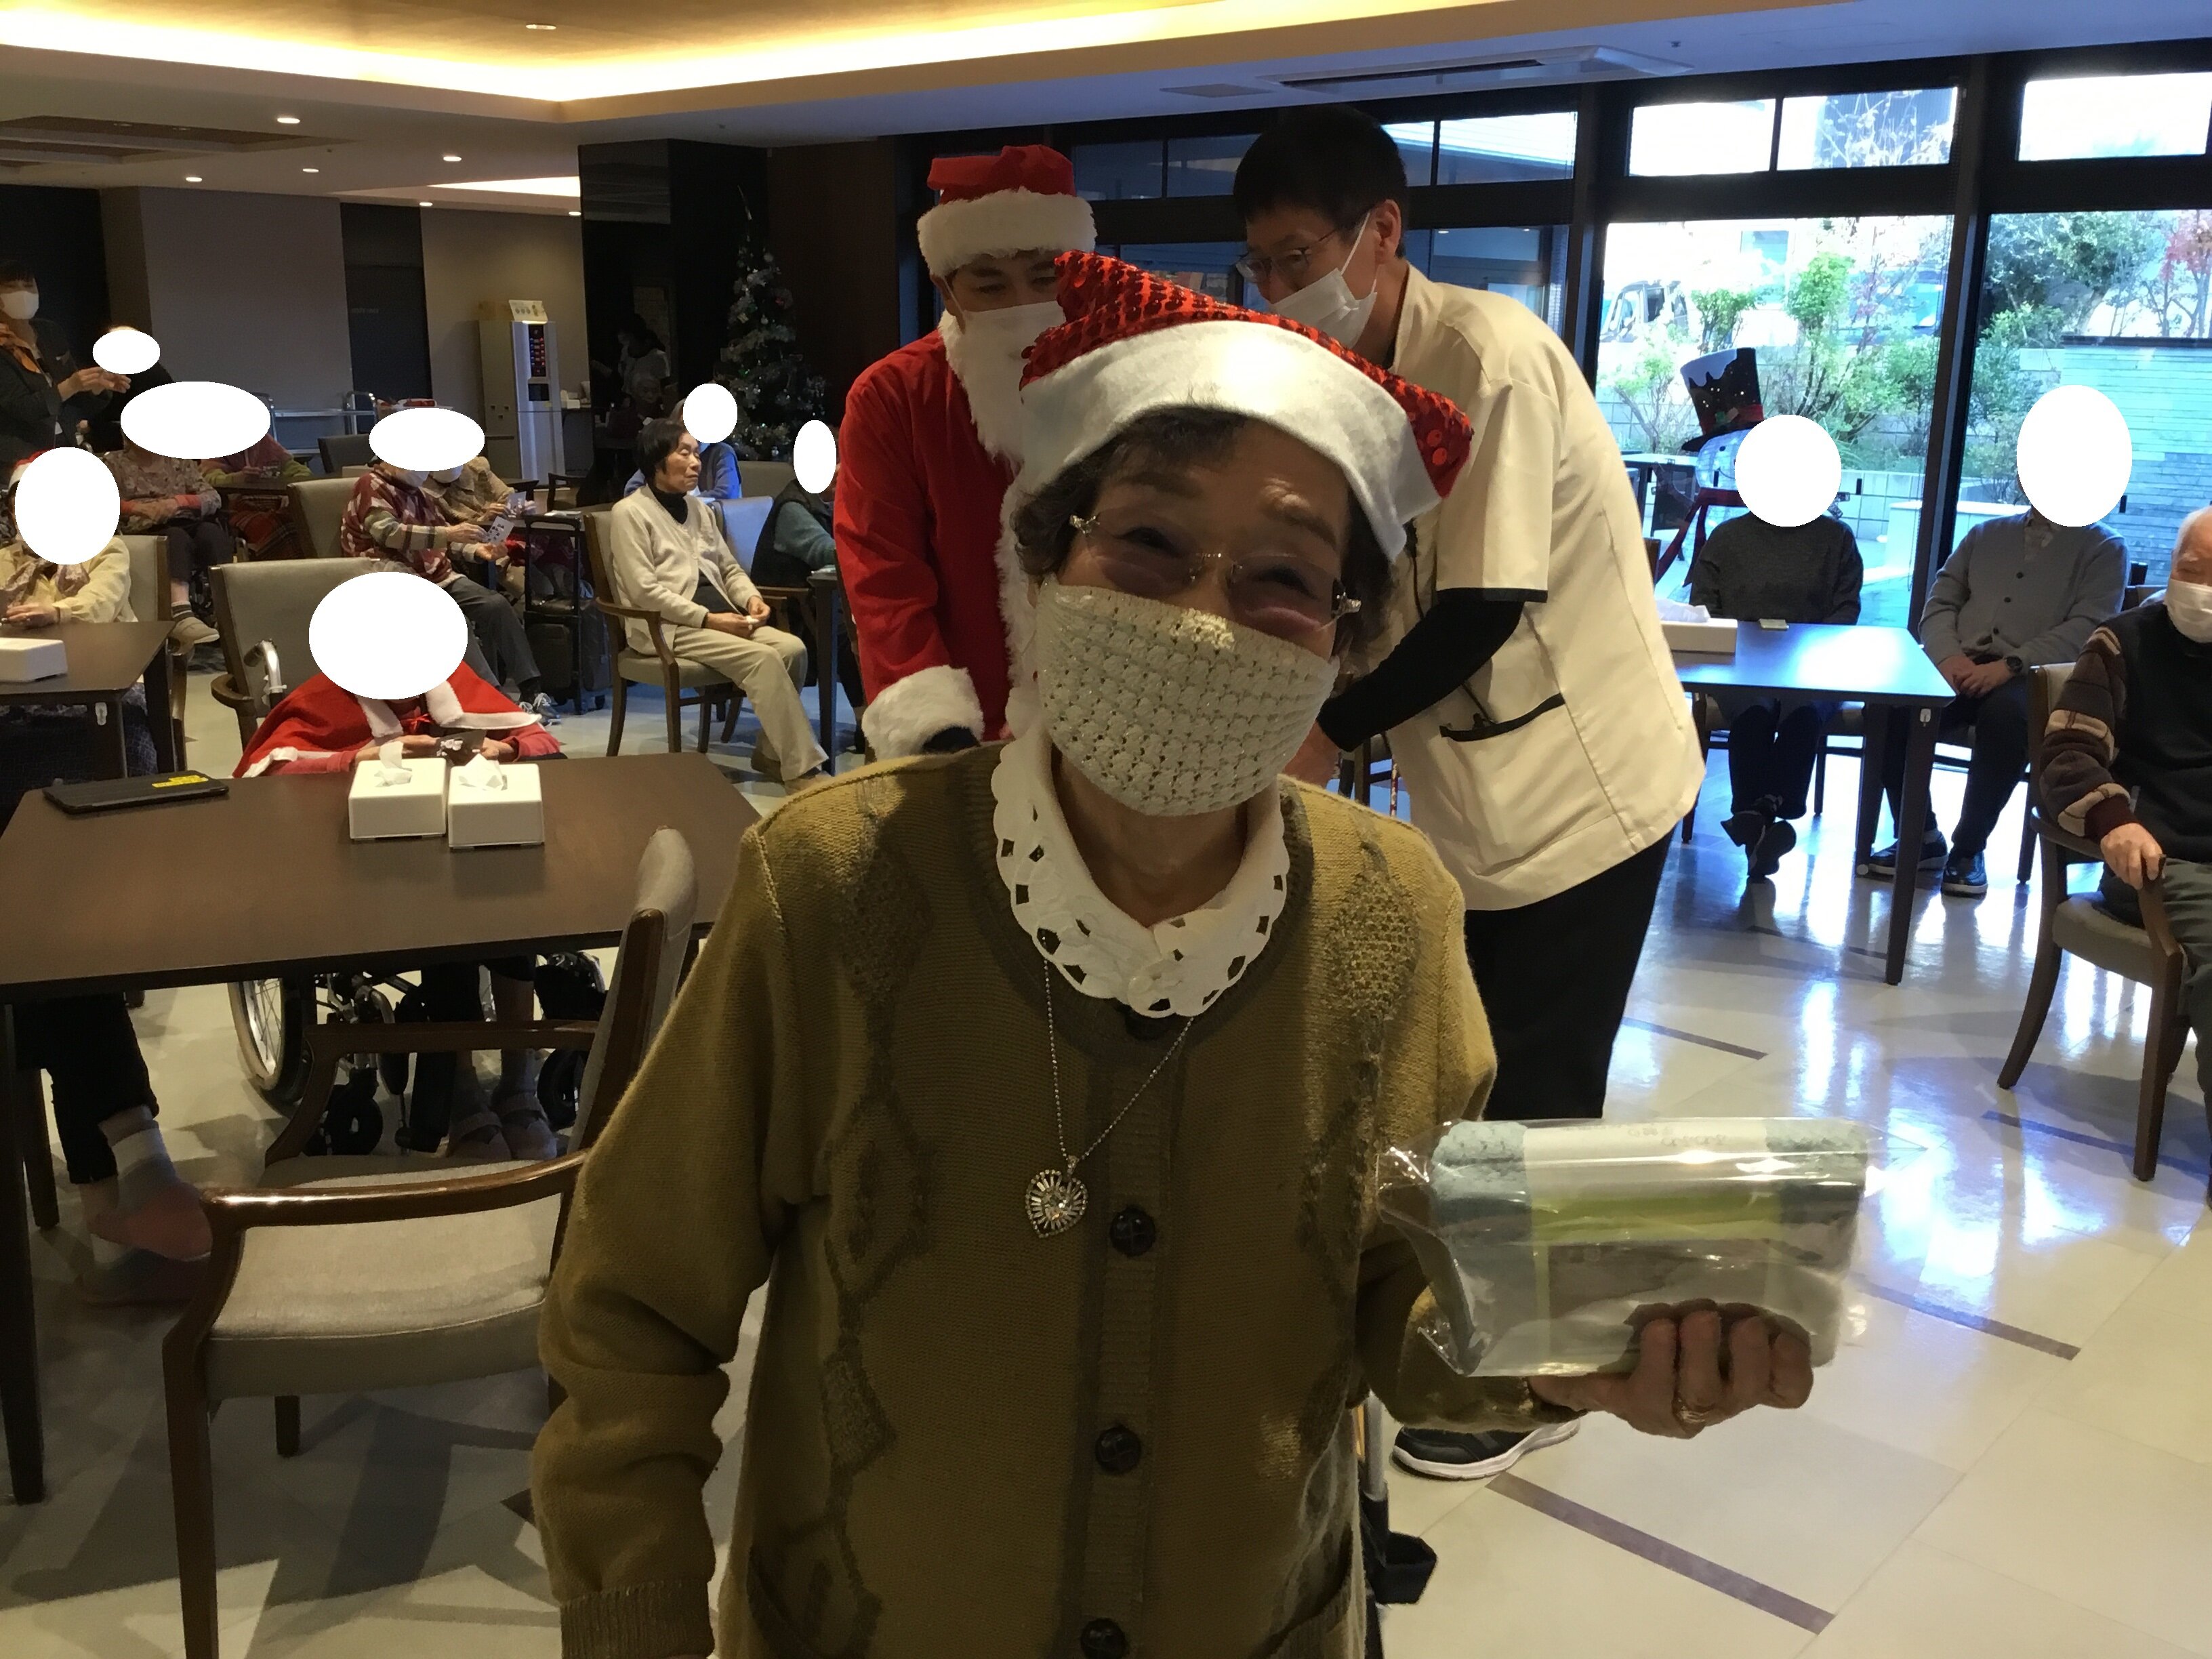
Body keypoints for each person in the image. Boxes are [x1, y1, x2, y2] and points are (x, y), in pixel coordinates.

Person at [532, 255, 1815, 1659]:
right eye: (1147, 542)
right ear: (1045, 558)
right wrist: (636, 1616)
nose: (1205, 613)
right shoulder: (837, 884)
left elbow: (1405, 1294)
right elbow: (633, 1309)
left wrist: (1572, 1353)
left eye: (1283, 576)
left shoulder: (1392, 915)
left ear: (1343, 640)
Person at [1234, 107, 1703, 1482]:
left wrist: (1324, 729)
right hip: (1481, 795)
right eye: (1259, 264)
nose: (1279, 287)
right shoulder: (1348, 376)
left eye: (1297, 256)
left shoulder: (1485, 356)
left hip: (1585, 789)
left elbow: (1485, 600)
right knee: (1472, 1079)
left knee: (1539, 1094)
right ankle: (1482, 1336)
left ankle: (1537, 1383)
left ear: (1381, 232)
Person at [237, 661, 565, 1159]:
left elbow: (539, 739)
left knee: (514, 901)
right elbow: (266, 771)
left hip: (467, 845)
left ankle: (519, 1079)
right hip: (369, 864)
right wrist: (359, 758)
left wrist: (506, 749)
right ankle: (462, 1088)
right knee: (448, 929)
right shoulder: (325, 697)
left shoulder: (452, 682)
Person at [0, 466, 193, 1298]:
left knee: (39, 926)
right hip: (16, 733)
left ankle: (118, 1183)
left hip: (78, 725)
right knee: (41, 932)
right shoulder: (6, 560)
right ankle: (129, 1163)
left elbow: (105, 610)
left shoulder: (106, 555)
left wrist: (58, 603)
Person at [836, 144, 1094, 757]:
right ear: (948, 291)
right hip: (961, 733)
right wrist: (937, 731)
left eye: (1044, 277)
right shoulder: (895, 396)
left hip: (1102, 726)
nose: (1022, 305)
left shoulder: (1116, 377)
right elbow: (883, 576)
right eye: (990, 284)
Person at [2040, 509, 2212, 1107]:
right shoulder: (2123, 642)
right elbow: (2067, 753)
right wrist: (2114, 822)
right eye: (2192, 570)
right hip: (2160, 862)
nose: (2203, 589)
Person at [1870, 497, 2127, 898]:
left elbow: (2088, 626)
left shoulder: (2105, 548)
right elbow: (1941, 602)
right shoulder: (1985, 534)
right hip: (1961, 663)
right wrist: (1948, 657)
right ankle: (1920, 836)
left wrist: (2010, 665)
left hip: (2033, 675)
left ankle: (1969, 848)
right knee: (1891, 708)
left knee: (2007, 718)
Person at [605, 419, 827, 787]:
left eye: (697, 453)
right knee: (764, 658)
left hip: (719, 617)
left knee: (793, 649)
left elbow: (729, 568)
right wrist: (710, 620)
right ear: (657, 460)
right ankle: (802, 770)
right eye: (685, 453)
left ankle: (771, 753)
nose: (696, 462)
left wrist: (751, 598)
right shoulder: (630, 513)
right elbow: (645, 592)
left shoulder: (698, 509)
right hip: (667, 627)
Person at [1687, 501, 1864, 878]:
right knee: (1754, 709)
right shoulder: (1728, 537)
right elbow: (1704, 606)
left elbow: (1846, 610)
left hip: (1815, 662)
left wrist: (1806, 645)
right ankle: (1766, 815)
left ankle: (1756, 815)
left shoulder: (1837, 539)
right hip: (1740, 661)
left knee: (1804, 712)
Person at [337, 457, 559, 720]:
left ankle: (532, 690)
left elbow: (443, 536)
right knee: (456, 619)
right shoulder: (371, 486)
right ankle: (493, 698)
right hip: (393, 580)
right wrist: (450, 534)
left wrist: (477, 550)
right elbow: (389, 534)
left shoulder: (418, 493)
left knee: (496, 604)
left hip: (435, 574)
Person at [104, 432, 232, 644]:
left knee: (212, 533)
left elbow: (213, 497)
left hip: (185, 519)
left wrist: (178, 502)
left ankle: (227, 610)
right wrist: (137, 508)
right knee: (175, 538)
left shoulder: (180, 462)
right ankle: (180, 612)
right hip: (144, 528)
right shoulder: (114, 463)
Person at [0, 258, 125, 474]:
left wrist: (95, 386)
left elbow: (74, 400)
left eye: (29, 286)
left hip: (66, 445)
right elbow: (22, 407)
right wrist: (71, 386)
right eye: (12, 288)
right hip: (19, 459)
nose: (23, 294)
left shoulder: (49, 332)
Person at [205, 432, 310, 559]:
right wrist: (238, 478)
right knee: (280, 527)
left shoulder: (264, 441)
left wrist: (291, 491)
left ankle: (306, 567)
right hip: (237, 509)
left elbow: (301, 471)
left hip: (274, 504)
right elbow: (208, 479)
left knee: (303, 523)